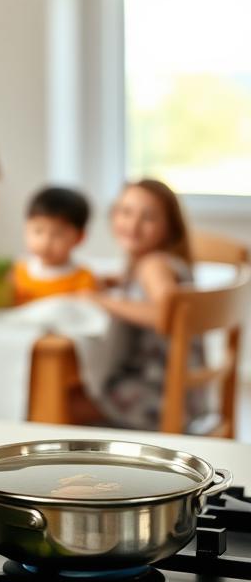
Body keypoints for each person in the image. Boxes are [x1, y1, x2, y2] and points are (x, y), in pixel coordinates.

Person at [89, 179, 208, 430]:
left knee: (58, 396)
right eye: (126, 212)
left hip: (160, 397)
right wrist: (117, 283)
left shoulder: (152, 266)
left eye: (149, 217)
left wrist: (101, 300)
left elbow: (168, 313)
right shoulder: (159, 262)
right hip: (189, 396)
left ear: (169, 228)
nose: (133, 225)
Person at [12, 186, 96, 304]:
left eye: (58, 234)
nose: (45, 242)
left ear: (79, 237)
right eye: (38, 231)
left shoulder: (84, 280)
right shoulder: (15, 273)